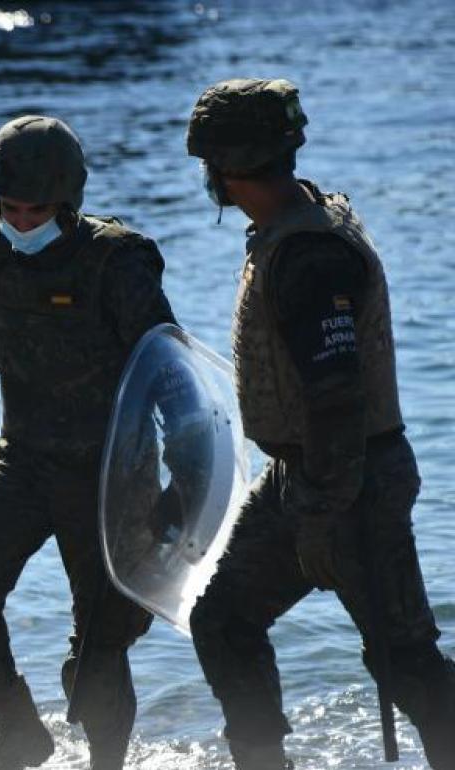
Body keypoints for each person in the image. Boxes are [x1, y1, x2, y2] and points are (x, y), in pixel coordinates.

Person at [185, 78, 455, 770]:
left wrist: (316, 512)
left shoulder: (308, 257)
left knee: (406, 664)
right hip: (303, 475)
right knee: (223, 621)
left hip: (350, 481)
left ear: (224, 166)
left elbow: (336, 397)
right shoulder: (298, 221)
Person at [0, 116, 176, 770]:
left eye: (33, 208)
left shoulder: (115, 262)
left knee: (97, 657)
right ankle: (18, 727)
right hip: (24, 460)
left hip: (108, 473)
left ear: (66, 201)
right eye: (7, 206)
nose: (19, 218)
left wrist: (183, 483)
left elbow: (173, 373)